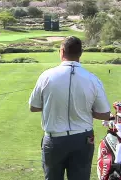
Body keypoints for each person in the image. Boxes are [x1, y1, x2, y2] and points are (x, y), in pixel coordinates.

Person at [28, 36, 111, 180]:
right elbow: (104, 114)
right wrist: (84, 109)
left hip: (54, 140)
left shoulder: (46, 76)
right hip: (83, 139)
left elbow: (34, 107)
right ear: (80, 53)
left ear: (61, 51)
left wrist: (53, 106)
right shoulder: (92, 79)